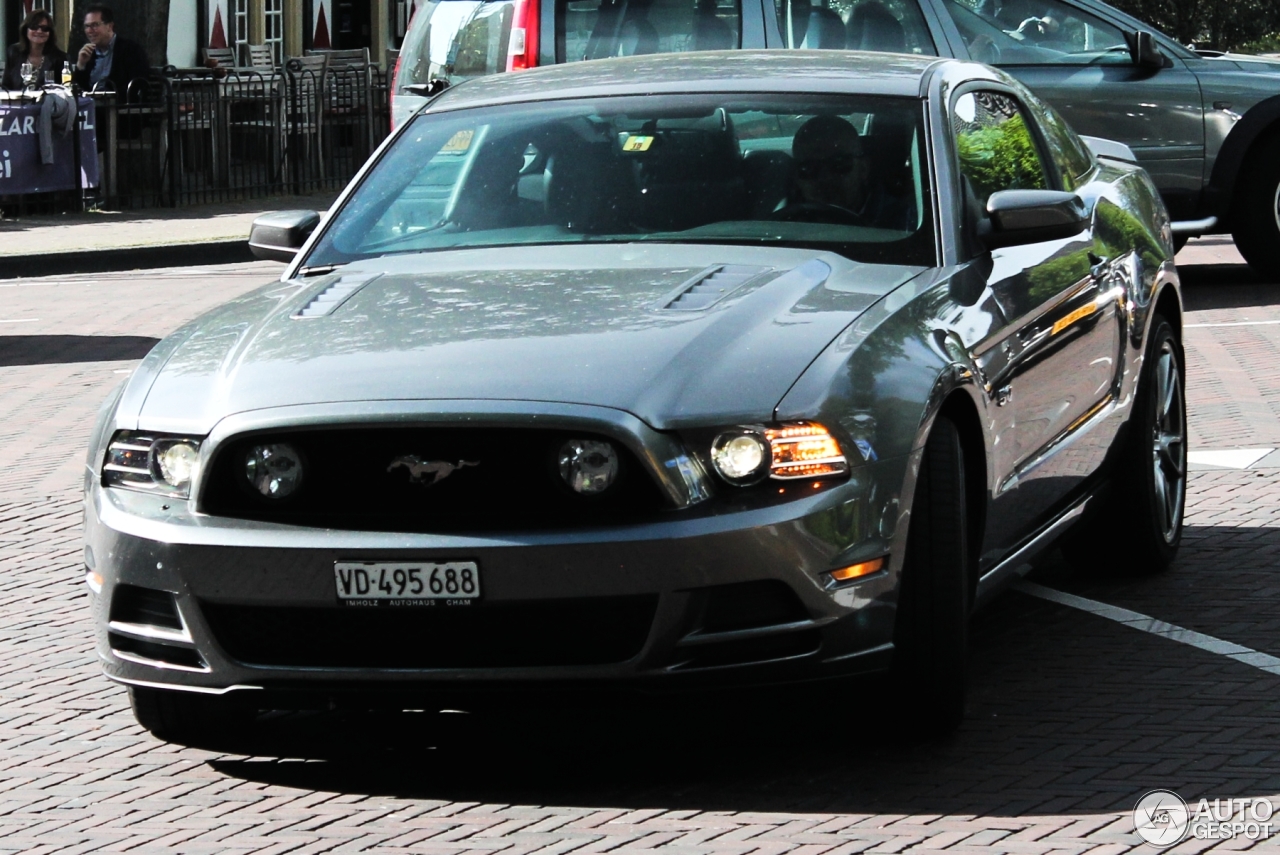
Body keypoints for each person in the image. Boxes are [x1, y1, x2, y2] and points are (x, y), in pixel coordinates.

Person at [786, 114, 915, 230]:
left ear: (863, 168)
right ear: (796, 176)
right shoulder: (782, 225)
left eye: (839, 163)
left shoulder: (906, 224)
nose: (825, 177)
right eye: (808, 168)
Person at [71, 4, 150, 94]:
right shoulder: (88, 53)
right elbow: (76, 90)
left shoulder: (130, 49)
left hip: (118, 105)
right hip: (90, 105)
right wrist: (81, 65)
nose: (89, 30)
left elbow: (138, 84)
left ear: (110, 26)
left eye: (95, 25)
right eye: (87, 26)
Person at [3, 9, 68, 91]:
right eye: (34, 27)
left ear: (50, 32)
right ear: (26, 29)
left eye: (45, 28)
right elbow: (6, 86)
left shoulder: (59, 58)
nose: (39, 31)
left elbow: (65, 90)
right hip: (17, 102)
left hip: (46, 103)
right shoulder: (14, 52)